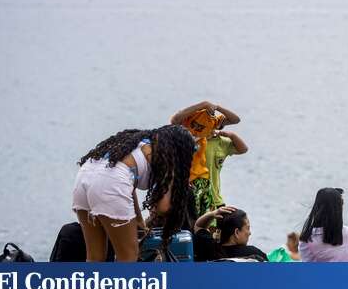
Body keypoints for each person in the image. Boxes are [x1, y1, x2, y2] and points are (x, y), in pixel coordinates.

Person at [72, 125, 196, 262]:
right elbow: (163, 207)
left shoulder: (137, 143)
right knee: (129, 257)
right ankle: (123, 283)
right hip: (110, 184)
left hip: (84, 177)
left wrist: (139, 221)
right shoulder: (168, 158)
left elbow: (129, 185)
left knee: (95, 257)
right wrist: (174, 180)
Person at [171, 101, 244, 217]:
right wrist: (203, 104)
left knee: (203, 220)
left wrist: (217, 107)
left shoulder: (211, 131)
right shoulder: (185, 127)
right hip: (184, 183)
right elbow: (175, 119)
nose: (198, 130)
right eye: (196, 125)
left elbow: (236, 120)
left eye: (203, 127)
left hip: (202, 182)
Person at [193, 206, 268, 262]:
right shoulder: (254, 254)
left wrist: (212, 214)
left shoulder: (208, 248)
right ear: (237, 232)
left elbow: (199, 226)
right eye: (248, 228)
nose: (249, 233)